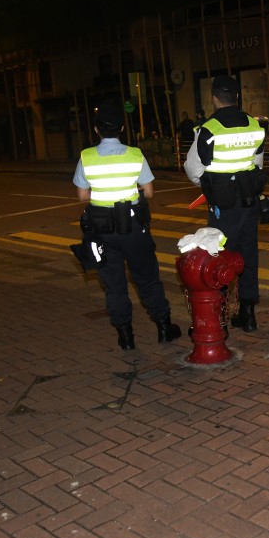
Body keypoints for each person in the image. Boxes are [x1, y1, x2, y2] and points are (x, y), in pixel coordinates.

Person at [72, 100, 182, 351]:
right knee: (147, 278)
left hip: (102, 229)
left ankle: (126, 336)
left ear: (96, 130)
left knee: (113, 284)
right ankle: (164, 328)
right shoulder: (135, 154)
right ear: (122, 129)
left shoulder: (86, 157)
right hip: (133, 227)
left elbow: (81, 196)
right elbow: (150, 192)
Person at [184, 75, 265, 332]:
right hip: (249, 201)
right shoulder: (254, 125)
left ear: (215, 98)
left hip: (223, 205)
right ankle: (248, 315)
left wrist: (210, 185)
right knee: (248, 255)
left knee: (218, 258)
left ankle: (219, 319)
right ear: (237, 97)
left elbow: (193, 169)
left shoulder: (208, 130)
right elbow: (257, 164)